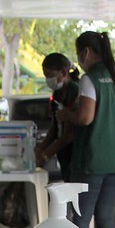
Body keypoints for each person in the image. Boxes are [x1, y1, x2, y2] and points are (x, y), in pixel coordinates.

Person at [57, 31, 115, 228]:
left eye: (79, 54)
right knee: (106, 216)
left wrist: (67, 116)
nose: (79, 59)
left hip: (92, 161)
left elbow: (86, 118)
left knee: (81, 217)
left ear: (86, 52)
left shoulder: (91, 79)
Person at [35, 52, 79, 181]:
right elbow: (55, 127)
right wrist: (41, 148)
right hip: (64, 154)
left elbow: (68, 135)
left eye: (50, 75)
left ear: (64, 72)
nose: (48, 80)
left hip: (75, 154)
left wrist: (46, 156)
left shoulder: (75, 92)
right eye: (45, 76)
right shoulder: (58, 94)